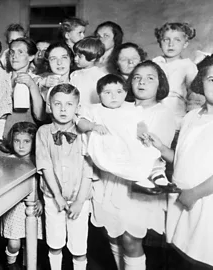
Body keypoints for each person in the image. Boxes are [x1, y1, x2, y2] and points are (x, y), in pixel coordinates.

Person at [91, 61, 176, 270]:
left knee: (130, 239)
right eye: (137, 77)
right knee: (113, 234)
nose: (142, 82)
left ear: (160, 84)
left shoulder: (161, 113)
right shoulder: (118, 107)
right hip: (111, 178)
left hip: (139, 181)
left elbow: (154, 152)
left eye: (150, 78)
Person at [143, 56, 213, 269]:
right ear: (201, 82)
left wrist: (194, 194)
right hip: (182, 200)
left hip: (205, 202)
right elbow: (183, 158)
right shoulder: (191, 116)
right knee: (180, 256)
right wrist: (162, 149)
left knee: (202, 259)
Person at [36, 83, 94, 270]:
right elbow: (45, 166)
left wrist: (79, 201)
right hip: (53, 197)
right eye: (58, 104)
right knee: (54, 243)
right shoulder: (43, 132)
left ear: (77, 108)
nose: (63, 109)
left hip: (80, 197)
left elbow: (89, 170)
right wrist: (58, 197)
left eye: (69, 104)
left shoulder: (85, 134)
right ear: (50, 106)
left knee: (79, 246)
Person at [77, 74, 164, 190]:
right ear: (99, 95)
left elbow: (139, 123)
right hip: (107, 144)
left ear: (125, 93)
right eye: (107, 93)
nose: (114, 96)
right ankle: (138, 178)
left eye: (119, 92)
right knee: (122, 160)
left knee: (146, 151)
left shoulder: (129, 109)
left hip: (128, 141)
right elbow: (80, 122)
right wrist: (92, 126)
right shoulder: (95, 109)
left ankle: (156, 173)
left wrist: (143, 135)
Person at [1, 122, 43, 270]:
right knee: (14, 243)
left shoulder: (37, 160)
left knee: (31, 241)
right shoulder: (8, 160)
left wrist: (41, 201)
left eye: (26, 141)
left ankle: (29, 264)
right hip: (14, 208)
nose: (21, 146)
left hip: (33, 207)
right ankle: (11, 263)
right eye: (17, 141)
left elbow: (42, 184)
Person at [152, 22, 198, 128]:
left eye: (177, 40)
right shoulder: (155, 63)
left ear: (185, 44)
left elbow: (194, 97)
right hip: (154, 113)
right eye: (166, 40)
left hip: (176, 116)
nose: (171, 44)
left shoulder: (187, 66)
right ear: (160, 42)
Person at [3, 37, 46, 143]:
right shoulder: (1, 78)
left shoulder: (38, 81)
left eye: (20, 52)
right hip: (1, 138)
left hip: (24, 141)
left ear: (31, 56)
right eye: (12, 52)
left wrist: (32, 85)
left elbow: (40, 116)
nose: (14, 56)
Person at [37, 42, 75, 113]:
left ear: (71, 59)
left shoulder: (78, 79)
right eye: (53, 59)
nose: (59, 62)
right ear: (48, 62)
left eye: (64, 57)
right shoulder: (44, 85)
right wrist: (42, 83)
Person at [70, 36, 106, 106]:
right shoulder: (74, 74)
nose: (75, 59)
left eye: (80, 56)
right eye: (75, 55)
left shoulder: (100, 76)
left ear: (93, 58)